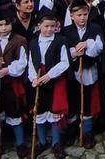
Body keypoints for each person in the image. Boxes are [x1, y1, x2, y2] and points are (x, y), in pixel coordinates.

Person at [62, 0, 104, 149]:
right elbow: (62, 50)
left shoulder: (95, 29)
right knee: (73, 101)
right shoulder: (66, 31)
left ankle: (87, 132)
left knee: (86, 101)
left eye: (85, 14)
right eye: (78, 15)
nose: (82, 18)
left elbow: (99, 47)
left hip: (88, 70)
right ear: (72, 16)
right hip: (72, 73)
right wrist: (73, 53)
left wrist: (87, 45)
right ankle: (72, 130)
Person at [0, 13, 30, 158]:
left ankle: (20, 143)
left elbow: (23, 61)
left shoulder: (20, 40)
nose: (4, 28)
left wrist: (8, 70)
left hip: (12, 83)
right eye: (0, 25)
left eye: (6, 24)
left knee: (15, 111)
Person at [27, 13, 70, 158]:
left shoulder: (60, 41)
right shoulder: (33, 42)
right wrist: (34, 78)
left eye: (52, 26)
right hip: (38, 79)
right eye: (46, 26)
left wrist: (49, 75)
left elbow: (65, 62)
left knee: (54, 111)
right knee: (39, 110)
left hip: (54, 78)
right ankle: (41, 141)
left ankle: (56, 143)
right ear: (39, 26)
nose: (49, 29)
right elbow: (30, 62)